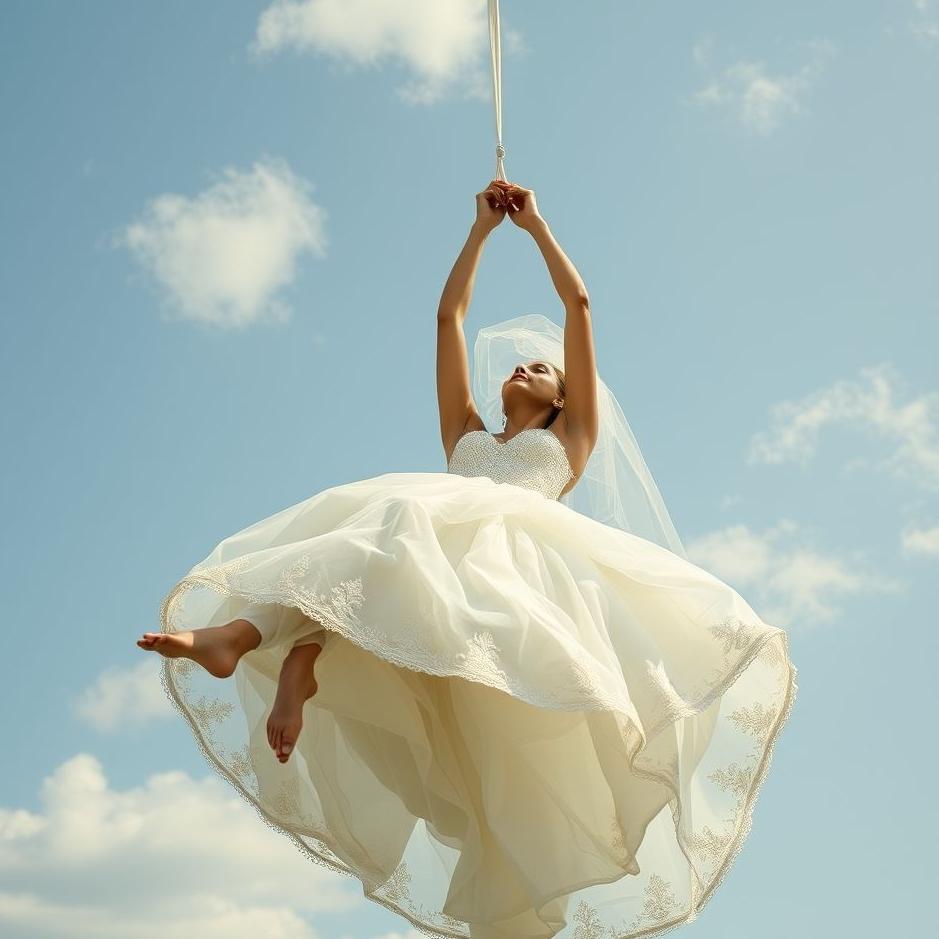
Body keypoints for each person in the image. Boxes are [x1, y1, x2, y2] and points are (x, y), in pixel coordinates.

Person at [137, 179, 797, 939]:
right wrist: (477, 232)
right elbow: (448, 318)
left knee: (402, 529)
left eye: (539, 369)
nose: (521, 369)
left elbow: (579, 307)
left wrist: (536, 227)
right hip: (433, 567)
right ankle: (260, 643)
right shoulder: (465, 439)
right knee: (386, 523)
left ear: (561, 399)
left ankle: (297, 652)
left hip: (509, 582)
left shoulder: (571, 438)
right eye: (517, 366)